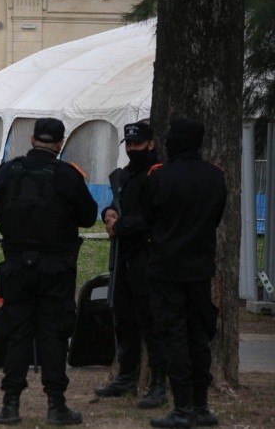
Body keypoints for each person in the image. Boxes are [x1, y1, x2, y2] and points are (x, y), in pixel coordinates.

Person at [0, 118, 97, 426]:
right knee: (53, 335)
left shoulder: (8, 171)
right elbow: (88, 217)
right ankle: (56, 404)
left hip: (16, 265)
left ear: (32, 137)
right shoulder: (67, 176)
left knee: (17, 334)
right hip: (54, 268)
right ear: (61, 143)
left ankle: (10, 404)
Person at [141, 117, 226, 428]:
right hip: (200, 268)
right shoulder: (214, 177)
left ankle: (182, 408)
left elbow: (148, 216)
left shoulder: (161, 177)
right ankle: (201, 406)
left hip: (167, 269)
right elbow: (215, 217)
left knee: (174, 336)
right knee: (198, 336)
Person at [95, 121, 168, 409]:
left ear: (151, 144)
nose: (132, 148)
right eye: (129, 144)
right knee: (125, 319)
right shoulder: (125, 175)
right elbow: (115, 203)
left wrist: (121, 224)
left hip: (147, 257)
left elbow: (153, 219)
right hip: (124, 256)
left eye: (138, 144)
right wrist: (109, 214)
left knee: (151, 323)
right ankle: (126, 376)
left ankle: (158, 384)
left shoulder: (156, 175)